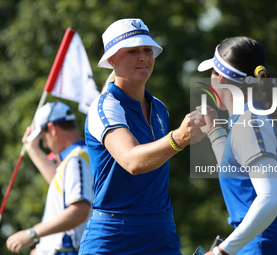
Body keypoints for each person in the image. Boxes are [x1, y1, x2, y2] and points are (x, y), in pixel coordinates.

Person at [78, 18, 204, 255]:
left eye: (147, 50)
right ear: (112, 59)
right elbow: (132, 162)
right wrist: (178, 138)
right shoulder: (104, 106)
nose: (143, 57)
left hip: (161, 230)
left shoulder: (159, 107)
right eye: (133, 51)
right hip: (114, 235)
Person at [193, 37, 277, 255]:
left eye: (212, 72)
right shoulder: (251, 119)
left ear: (220, 78)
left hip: (262, 245)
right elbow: (239, 175)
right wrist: (215, 133)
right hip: (264, 243)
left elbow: (271, 199)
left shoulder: (249, 122)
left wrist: (220, 252)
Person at [6, 101, 94, 255]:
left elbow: (79, 211)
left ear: (52, 129)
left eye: (42, 137)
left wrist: (31, 234)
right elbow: (58, 185)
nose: (45, 145)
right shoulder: (77, 158)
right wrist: (33, 150)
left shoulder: (76, 159)